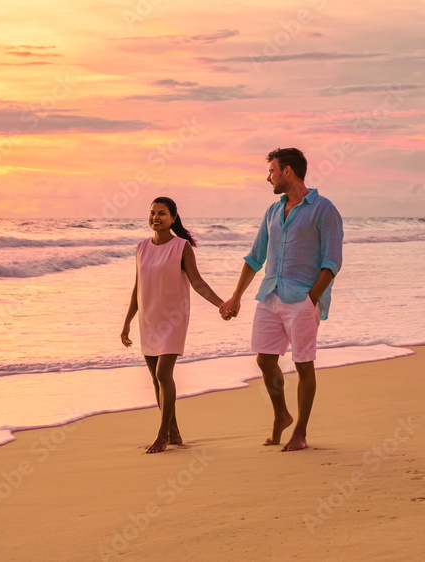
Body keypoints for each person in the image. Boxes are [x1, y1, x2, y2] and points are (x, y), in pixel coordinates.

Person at [219, 148, 343, 452]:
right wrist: (236, 297)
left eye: (272, 171)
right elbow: (255, 257)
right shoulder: (273, 211)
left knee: (303, 365)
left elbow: (331, 262)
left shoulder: (324, 209)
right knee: (264, 358)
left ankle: (300, 431)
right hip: (270, 294)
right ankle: (281, 416)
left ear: (287, 171)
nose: (268, 177)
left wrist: (311, 300)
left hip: (302, 298)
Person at [121, 197, 226, 454]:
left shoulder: (182, 247)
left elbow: (197, 283)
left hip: (172, 320)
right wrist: (127, 322)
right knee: (156, 381)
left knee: (162, 375)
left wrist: (222, 304)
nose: (156, 217)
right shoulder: (141, 247)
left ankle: (162, 435)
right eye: (153, 213)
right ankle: (175, 432)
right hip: (148, 319)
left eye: (162, 213)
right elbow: (138, 287)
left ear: (173, 218)